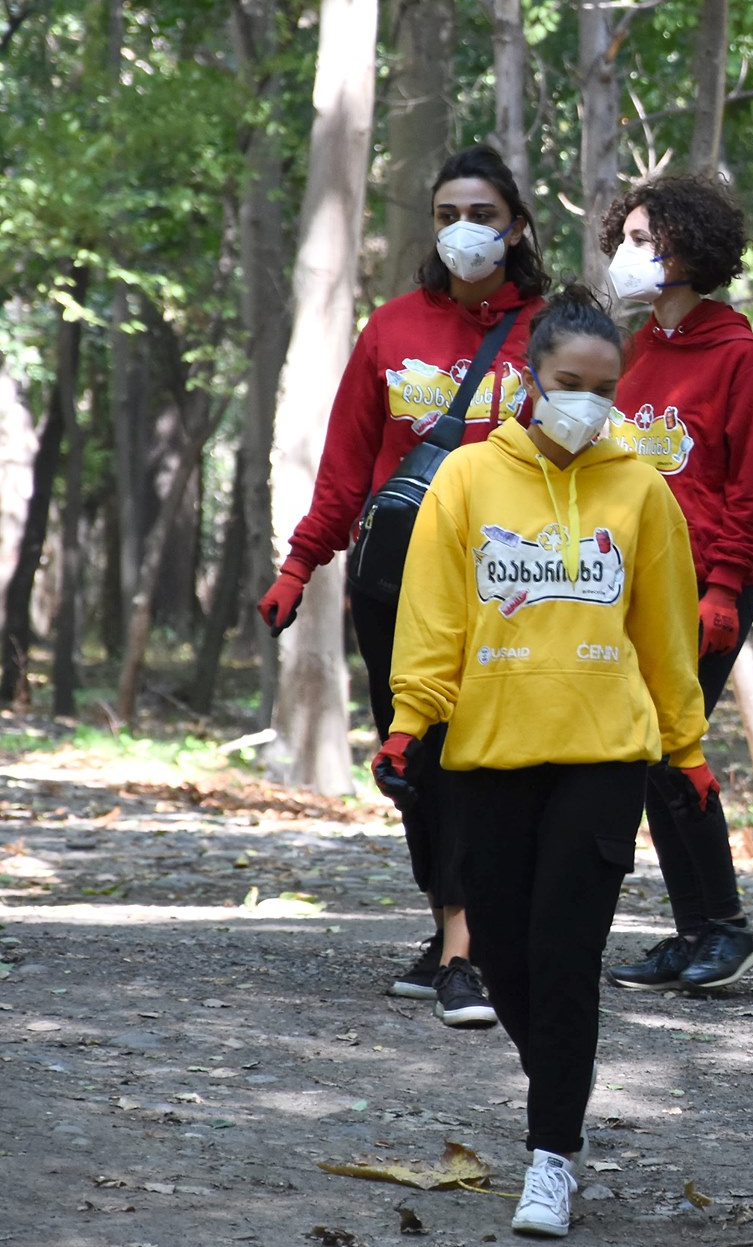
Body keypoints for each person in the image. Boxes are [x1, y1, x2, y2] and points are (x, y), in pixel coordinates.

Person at [378, 284, 707, 1239]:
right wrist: (409, 723)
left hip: (601, 755)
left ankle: (551, 1154)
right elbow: (434, 617)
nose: (586, 402)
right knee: (505, 952)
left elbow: (666, 634)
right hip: (488, 752)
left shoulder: (642, 490)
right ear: (530, 377)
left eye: (604, 388)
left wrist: (686, 747)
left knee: (566, 955)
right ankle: (559, 1079)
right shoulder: (468, 479)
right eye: (570, 381)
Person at [255, 145, 548, 1026]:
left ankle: (468, 947)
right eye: (448, 215)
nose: (465, 230)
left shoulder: (547, 331)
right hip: (397, 581)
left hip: (512, 584)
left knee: (483, 757)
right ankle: (453, 926)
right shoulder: (391, 328)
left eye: (483, 215)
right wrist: (301, 562)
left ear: (516, 227)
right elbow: (347, 465)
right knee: (414, 759)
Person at [595, 174, 753, 993]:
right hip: (630, 584)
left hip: (704, 587)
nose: (627, 253)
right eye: (625, 238)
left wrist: (725, 587)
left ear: (687, 249)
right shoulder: (635, 351)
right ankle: (694, 931)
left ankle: (725, 925)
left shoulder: (738, 353)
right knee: (649, 757)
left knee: (676, 748)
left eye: (644, 240)